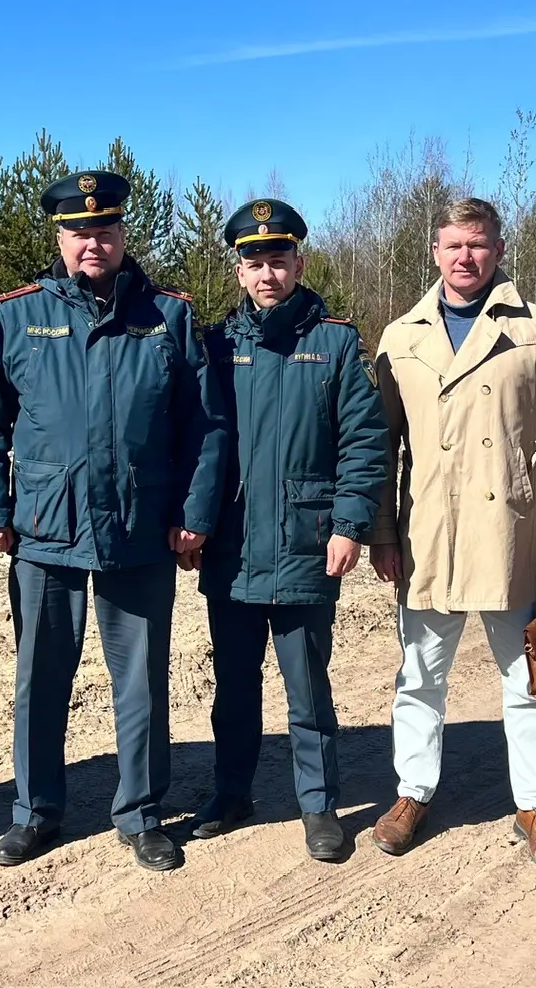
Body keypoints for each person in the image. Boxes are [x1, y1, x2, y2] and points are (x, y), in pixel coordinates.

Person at [0, 170, 227, 872]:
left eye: (104, 229)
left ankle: (140, 813)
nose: (92, 242)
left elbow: (203, 425)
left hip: (138, 531)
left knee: (139, 681)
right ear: (59, 236)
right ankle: (36, 811)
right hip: (44, 531)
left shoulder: (167, 315)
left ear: (123, 233)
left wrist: (193, 514)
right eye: (78, 231)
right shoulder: (17, 314)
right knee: (40, 677)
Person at [367, 197, 536, 870]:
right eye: (453, 245)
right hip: (428, 533)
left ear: (498, 249)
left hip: (513, 531)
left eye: (479, 244)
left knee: (528, 678)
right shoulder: (400, 334)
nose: (466, 256)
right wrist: (381, 531)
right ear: (434, 252)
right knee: (418, 678)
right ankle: (413, 793)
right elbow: (380, 447)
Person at [188, 198, 388, 861]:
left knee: (309, 689)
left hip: (308, 543)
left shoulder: (332, 342)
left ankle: (320, 805)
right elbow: (193, 441)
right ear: (239, 271)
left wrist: (351, 525)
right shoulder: (216, 346)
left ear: (299, 262)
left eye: (278, 259)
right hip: (234, 546)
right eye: (254, 261)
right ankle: (231, 792)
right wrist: (190, 523)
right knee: (234, 689)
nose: (267, 272)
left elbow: (364, 443)